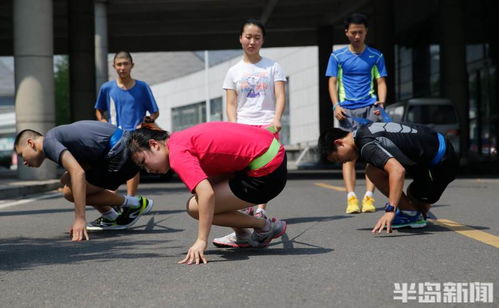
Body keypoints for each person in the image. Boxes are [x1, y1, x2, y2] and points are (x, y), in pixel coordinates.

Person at [128, 121, 288, 264]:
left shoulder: (177, 154)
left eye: (144, 162)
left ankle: (264, 227)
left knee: (195, 207)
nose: (147, 170)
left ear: (154, 144)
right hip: (272, 156)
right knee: (208, 188)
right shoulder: (179, 139)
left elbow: (207, 194)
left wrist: (201, 240)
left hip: (268, 172)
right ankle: (243, 235)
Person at [13, 121, 154, 241]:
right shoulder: (54, 136)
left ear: (30, 143)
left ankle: (135, 204)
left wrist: (80, 219)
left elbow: (78, 172)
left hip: (120, 153)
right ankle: (111, 216)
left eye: (21, 155)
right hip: (122, 148)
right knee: (66, 179)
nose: (24, 162)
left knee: (69, 193)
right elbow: (84, 163)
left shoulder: (49, 143)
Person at [318, 122, 458, 233]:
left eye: (337, 158)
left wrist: (391, 210)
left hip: (442, 162)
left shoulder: (366, 145)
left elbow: (397, 171)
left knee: (417, 203)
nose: (342, 162)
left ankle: (412, 214)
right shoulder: (363, 130)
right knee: (373, 169)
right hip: (428, 154)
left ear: (339, 142)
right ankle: (411, 213)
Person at [219, 18, 286, 246]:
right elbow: (231, 102)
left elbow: (280, 96)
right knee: (241, 174)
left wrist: (277, 119)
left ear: (262, 40)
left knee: (264, 173)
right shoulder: (233, 71)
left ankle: (260, 213)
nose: (252, 41)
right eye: (248, 37)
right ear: (240, 38)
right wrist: (233, 125)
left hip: (267, 127)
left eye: (257, 37)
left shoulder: (273, 66)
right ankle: (244, 222)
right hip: (243, 128)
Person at [325, 13, 388, 214]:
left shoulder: (376, 56)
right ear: (346, 33)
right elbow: (332, 81)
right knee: (348, 156)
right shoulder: (337, 56)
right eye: (353, 32)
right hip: (347, 110)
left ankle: (369, 197)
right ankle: (351, 198)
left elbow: (381, 81)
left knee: (372, 154)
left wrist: (382, 102)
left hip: (370, 107)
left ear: (366, 32)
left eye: (360, 32)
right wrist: (336, 105)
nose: (357, 36)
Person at [95, 51, 160, 198]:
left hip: (135, 134)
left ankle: (131, 201)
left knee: (132, 166)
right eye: (119, 64)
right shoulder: (107, 88)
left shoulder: (142, 87)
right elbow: (99, 110)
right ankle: (112, 202)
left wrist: (147, 121)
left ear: (132, 65)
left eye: (125, 64)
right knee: (113, 169)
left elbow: (155, 112)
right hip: (113, 134)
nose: (122, 67)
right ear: (114, 66)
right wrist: (102, 120)